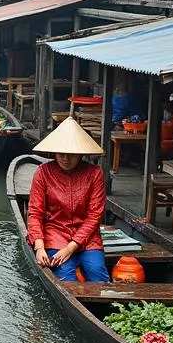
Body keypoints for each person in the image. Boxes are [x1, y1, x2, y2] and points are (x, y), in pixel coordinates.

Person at [26, 118, 109, 283]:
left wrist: (71, 247)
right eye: (61, 154)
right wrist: (39, 247)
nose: (65, 158)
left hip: (88, 237)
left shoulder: (94, 173)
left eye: (71, 154)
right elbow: (35, 213)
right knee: (65, 275)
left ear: (80, 154)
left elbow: (94, 215)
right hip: (54, 234)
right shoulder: (43, 172)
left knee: (97, 273)